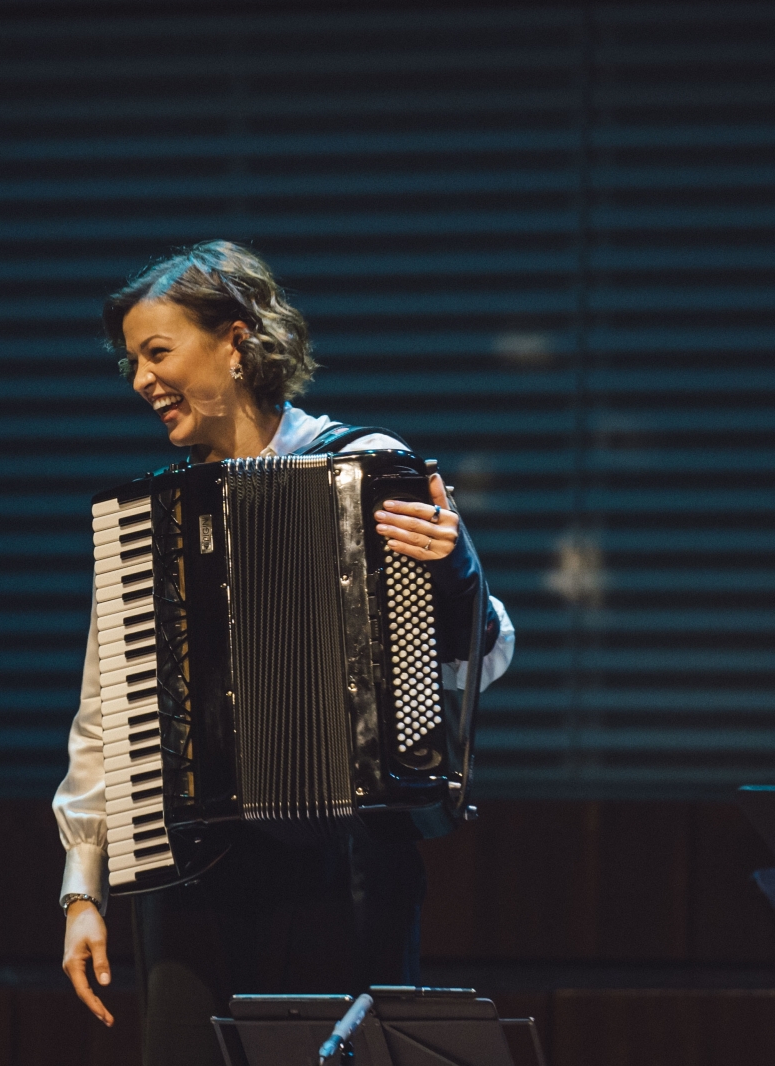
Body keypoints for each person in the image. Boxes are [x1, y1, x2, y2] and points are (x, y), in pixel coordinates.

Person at [53, 241, 517, 1066]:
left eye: (157, 352)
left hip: (347, 867)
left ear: (235, 341)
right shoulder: (147, 524)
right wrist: (83, 888)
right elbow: (104, 713)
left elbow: (481, 656)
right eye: (132, 362)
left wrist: (456, 575)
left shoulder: (369, 466)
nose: (140, 380)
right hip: (189, 872)